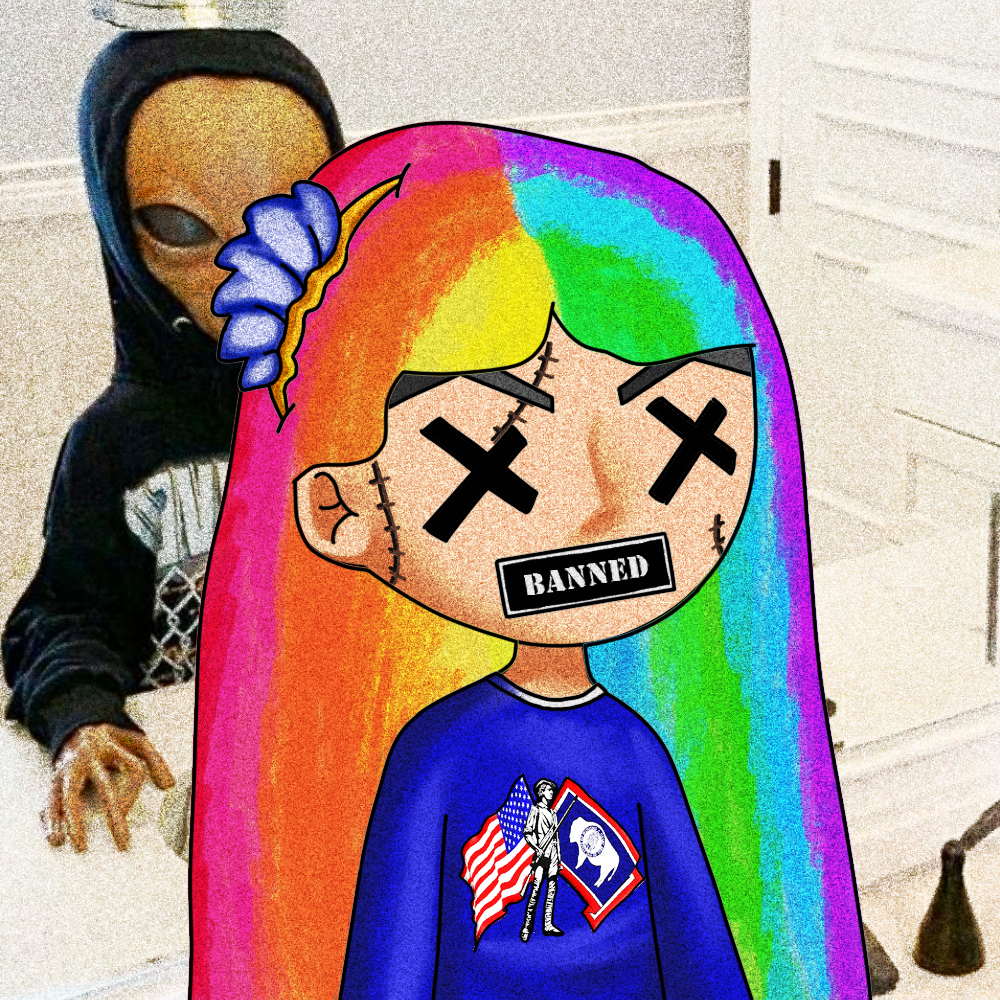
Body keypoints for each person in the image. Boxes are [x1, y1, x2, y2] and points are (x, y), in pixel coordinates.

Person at [194, 123, 870, 998]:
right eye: (493, 461)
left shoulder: (634, 748)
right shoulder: (435, 755)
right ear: (342, 510)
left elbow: (702, 951)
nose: (603, 509)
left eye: (679, 439)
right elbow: (391, 968)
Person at [1, 29, 343, 854]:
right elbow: (61, 616)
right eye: (177, 226)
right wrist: (84, 714)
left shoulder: (360, 409)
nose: (238, 269)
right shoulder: (115, 444)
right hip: (185, 785)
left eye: (283, 221)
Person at [520, 778, 563, 942]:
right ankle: (527, 927)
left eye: (552, 790)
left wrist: (558, 859)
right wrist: (536, 848)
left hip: (553, 855)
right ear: (541, 792)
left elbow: (556, 838)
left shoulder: (553, 814)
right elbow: (527, 832)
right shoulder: (535, 810)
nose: (552, 793)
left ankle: (548, 924)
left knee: (551, 890)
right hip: (541, 855)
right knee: (536, 890)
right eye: (549, 790)